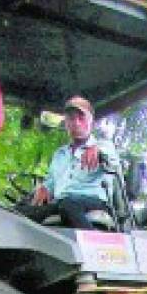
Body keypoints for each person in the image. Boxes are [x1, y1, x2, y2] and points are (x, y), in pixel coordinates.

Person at [26, 95, 121, 229]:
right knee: (20, 213)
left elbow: (110, 158)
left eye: (81, 117)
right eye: (71, 118)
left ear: (92, 123)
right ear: (66, 124)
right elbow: (51, 183)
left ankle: (91, 247)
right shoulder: (60, 154)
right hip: (61, 204)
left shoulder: (104, 146)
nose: (76, 122)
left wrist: (97, 150)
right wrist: (43, 189)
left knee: (69, 204)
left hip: (94, 202)